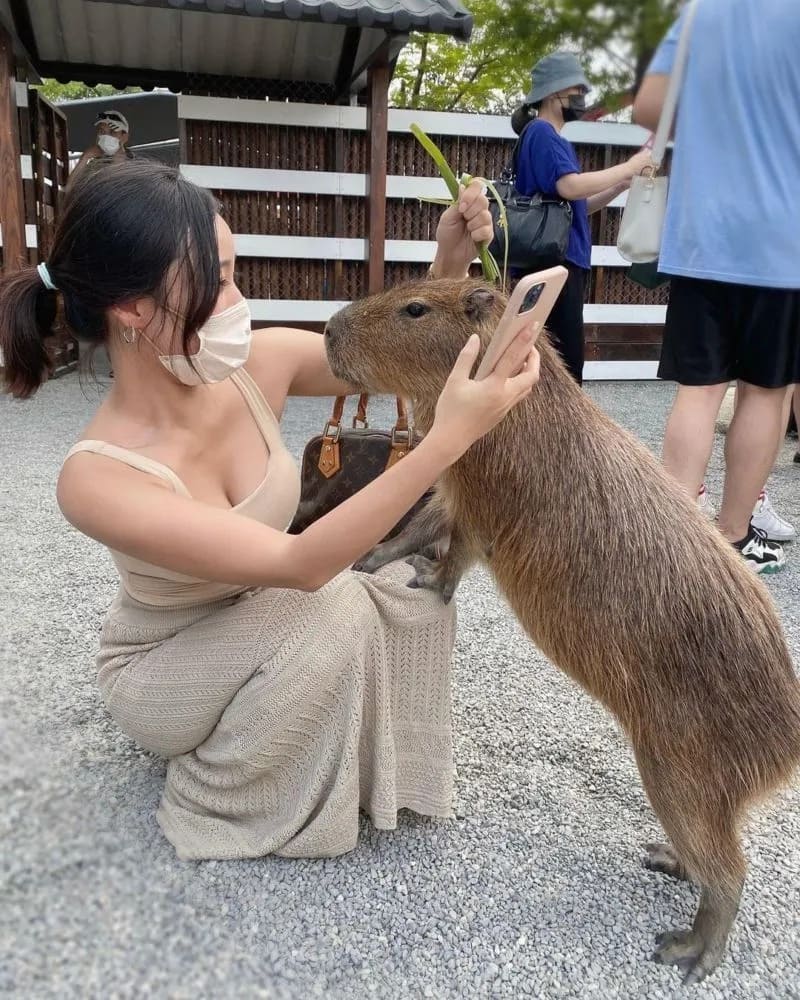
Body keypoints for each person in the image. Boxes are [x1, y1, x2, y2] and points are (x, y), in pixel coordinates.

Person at [0, 161, 540, 861]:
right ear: (132, 310)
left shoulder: (258, 363)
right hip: (168, 667)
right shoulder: (98, 475)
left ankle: (379, 773)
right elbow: (302, 565)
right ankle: (225, 790)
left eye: (235, 271)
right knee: (338, 603)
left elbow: (395, 354)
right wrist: (449, 438)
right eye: (217, 278)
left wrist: (450, 261)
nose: (237, 297)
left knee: (418, 590)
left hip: (266, 612)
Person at [634, 0, 800, 573]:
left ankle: (674, 543)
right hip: (784, 239)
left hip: (704, 234)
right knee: (765, 389)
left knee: (699, 390)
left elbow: (650, 106)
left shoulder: (701, 12)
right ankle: (730, 542)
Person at [511, 51, 652, 383]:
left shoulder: (547, 137)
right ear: (553, 92)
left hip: (553, 261)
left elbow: (576, 206)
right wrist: (629, 166)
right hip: (554, 264)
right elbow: (570, 186)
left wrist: (619, 185)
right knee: (565, 364)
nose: (581, 98)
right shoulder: (543, 134)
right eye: (576, 89)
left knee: (548, 358)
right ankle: (558, 433)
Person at [70, 109, 134, 180]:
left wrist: (118, 158)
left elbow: (116, 185)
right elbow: (68, 189)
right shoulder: (93, 163)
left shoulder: (134, 164)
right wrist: (85, 157)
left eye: (112, 132)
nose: (106, 136)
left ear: (124, 137)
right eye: (102, 131)